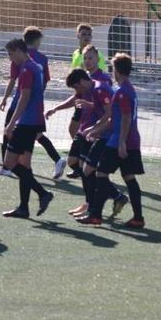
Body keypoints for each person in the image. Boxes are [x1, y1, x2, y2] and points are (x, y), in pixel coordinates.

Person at [46, 68, 127, 218]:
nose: (77, 91)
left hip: (96, 133)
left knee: (88, 170)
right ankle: (110, 197)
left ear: (82, 81)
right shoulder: (87, 89)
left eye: (77, 87)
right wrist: (56, 108)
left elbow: (110, 112)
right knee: (74, 163)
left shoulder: (100, 89)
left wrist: (94, 127)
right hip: (86, 130)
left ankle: (93, 204)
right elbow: (75, 100)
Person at [77, 53, 144, 228]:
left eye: (113, 69)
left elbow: (126, 118)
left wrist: (121, 142)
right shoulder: (129, 89)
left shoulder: (121, 92)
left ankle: (95, 215)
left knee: (100, 173)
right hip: (131, 140)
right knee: (129, 177)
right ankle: (138, 217)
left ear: (117, 71)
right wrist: (95, 129)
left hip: (119, 142)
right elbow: (115, 119)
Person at [0, 27, 67, 179]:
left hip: (19, 105)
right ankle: (57, 159)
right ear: (37, 41)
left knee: (8, 133)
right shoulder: (42, 58)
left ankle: (7, 167)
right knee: (36, 135)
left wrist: (5, 98)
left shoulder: (18, 56)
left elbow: (13, 80)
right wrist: (37, 97)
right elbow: (45, 81)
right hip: (35, 106)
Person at [0, 38, 54, 218]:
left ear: (18, 51)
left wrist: (11, 123)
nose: (10, 59)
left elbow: (24, 98)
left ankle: (43, 193)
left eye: (10, 54)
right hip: (35, 121)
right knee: (24, 165)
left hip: (26, 122)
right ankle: (24, 207)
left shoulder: (26, 71)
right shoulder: (35, 66)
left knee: (9, 163)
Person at [65, 24, 107, 177]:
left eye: (89, 34)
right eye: (84, 34)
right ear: (78, 36)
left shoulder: (98, 56)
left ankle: (89, 161)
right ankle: (82, 159)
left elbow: (99, 78)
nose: (87, 37)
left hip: (90, 101)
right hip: (81, 97)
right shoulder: (76, 54)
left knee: (83, 131)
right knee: (73, 128)